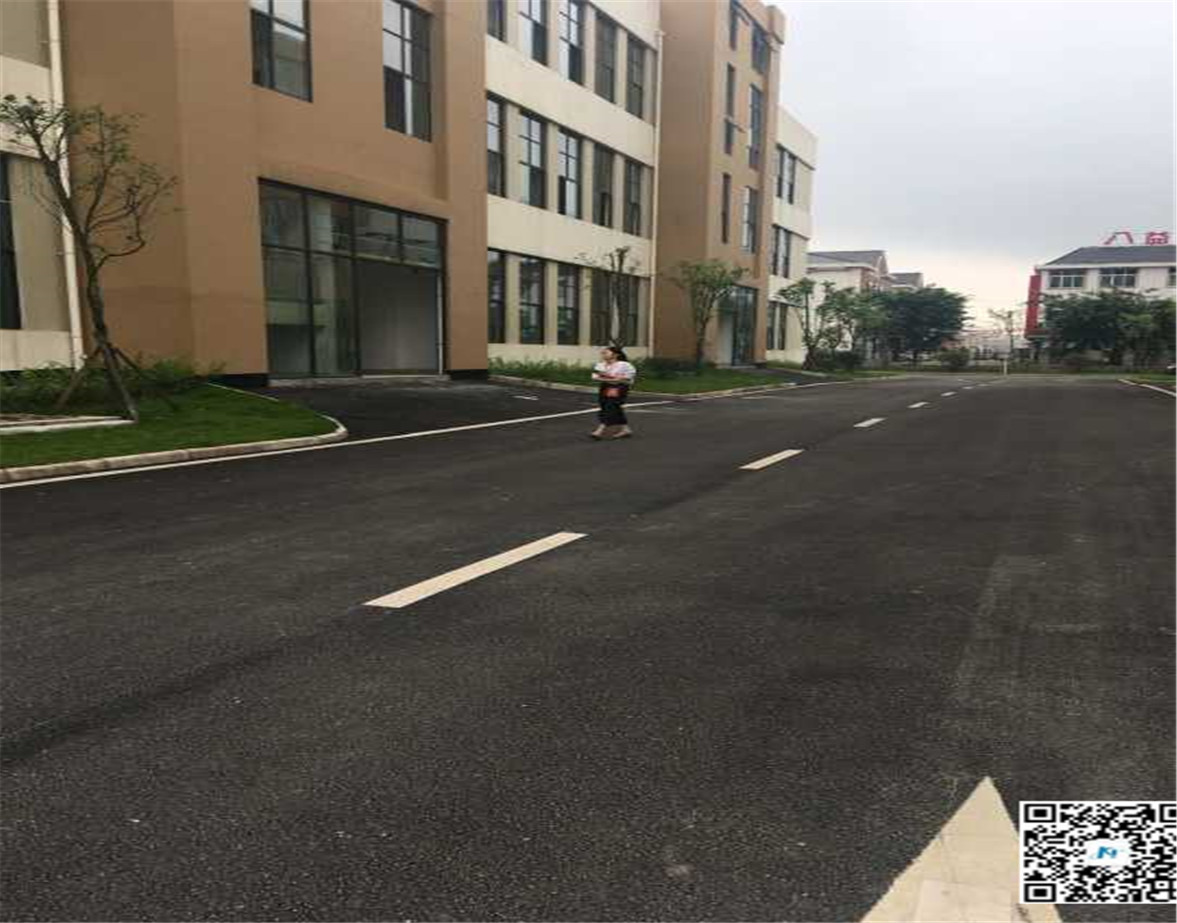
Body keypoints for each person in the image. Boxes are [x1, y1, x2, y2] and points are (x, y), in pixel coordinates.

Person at [590, 346, 637, 440]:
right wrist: (613, 379)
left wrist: (607, 377)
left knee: (610, 406)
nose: (603, 354)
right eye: (602, 353)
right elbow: (595, 377)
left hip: (618, 388)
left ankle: (600, 430)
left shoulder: (624, 365)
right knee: (607, 406)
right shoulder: (601, 365)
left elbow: (626, 378)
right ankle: (625, 429)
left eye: (606, 352)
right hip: (605, 387)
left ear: (615, 355)